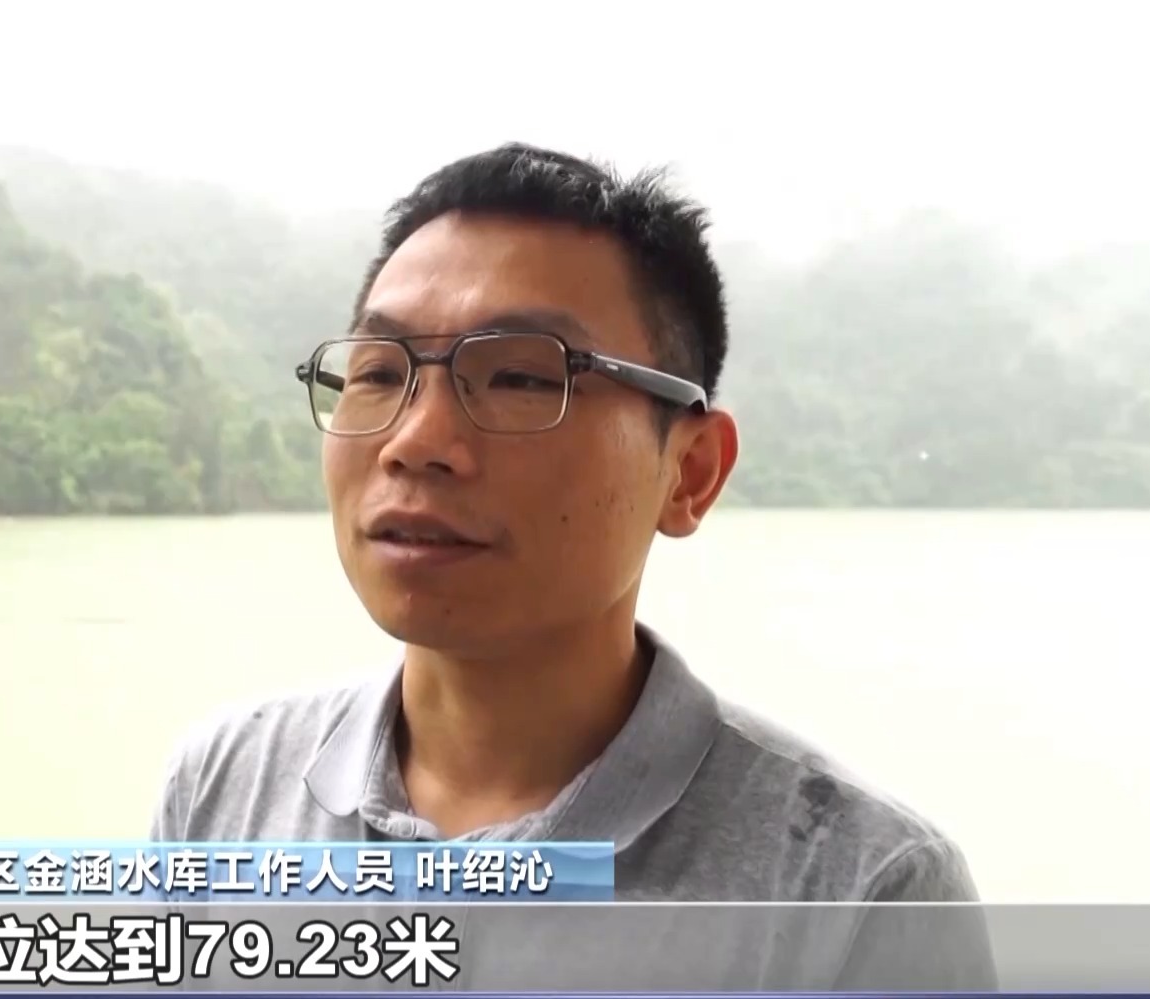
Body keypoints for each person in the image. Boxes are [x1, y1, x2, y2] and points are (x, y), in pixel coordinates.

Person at [147, 144, 996, 988]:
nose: (415, 441)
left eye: (519, 377)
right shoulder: (226, 787)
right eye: (378, 372)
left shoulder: (856, 893)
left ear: (690, 472)